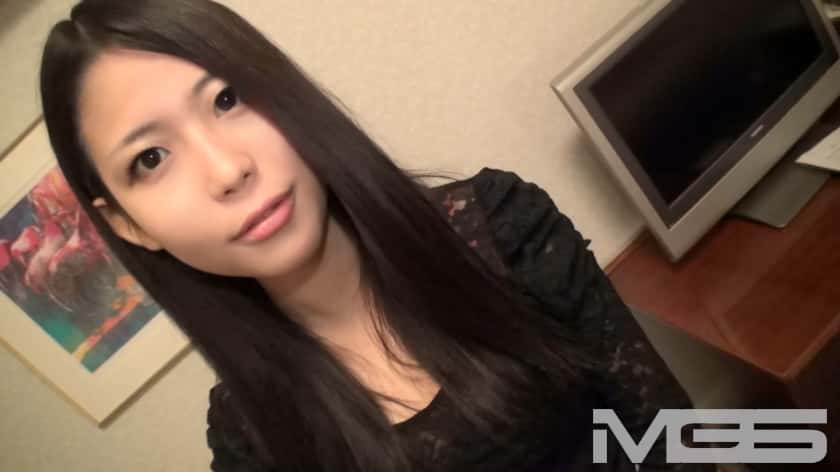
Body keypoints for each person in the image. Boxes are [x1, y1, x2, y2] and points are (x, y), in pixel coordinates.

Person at [39, 1, 713, 470]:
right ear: (129, 224)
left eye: (226, 98)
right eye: (151, 158)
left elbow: (670, 435)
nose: (227, 169)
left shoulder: (501, 227)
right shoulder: (252, 439)